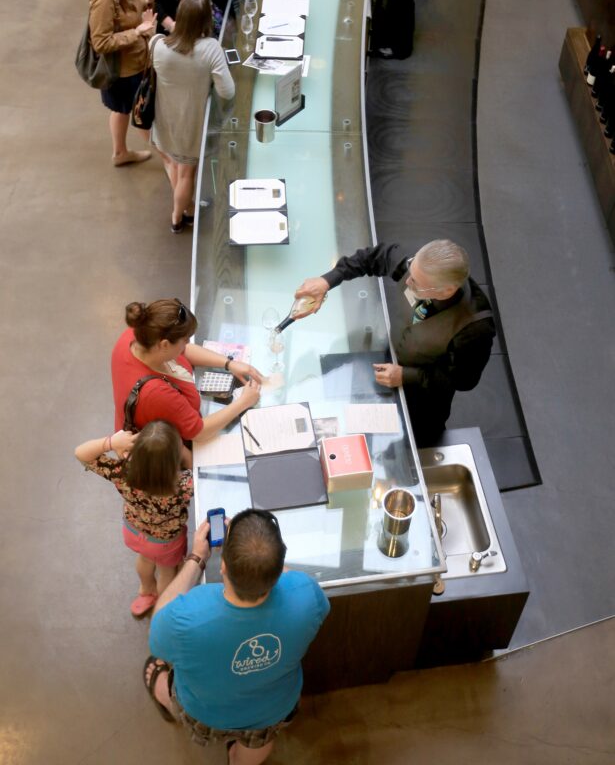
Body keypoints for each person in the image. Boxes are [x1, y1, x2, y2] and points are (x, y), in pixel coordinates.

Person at [144, 509, 330, 764]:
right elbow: (295, 581)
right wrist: (259, 551)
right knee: (258, 744)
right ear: (279, 568)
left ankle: (164, 696)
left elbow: (157, 633)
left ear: (223, 566)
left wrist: (197, 557)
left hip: (206, 712)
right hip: (272, 708)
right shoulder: (306, 596)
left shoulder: (186, 616)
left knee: (173, 691)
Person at [293, 239, 495, 448]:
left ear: (446, 291)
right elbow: (371, 258)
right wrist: (327, 281)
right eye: (411, 270)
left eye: (416, 283)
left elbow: (463, 381)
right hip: (392, 356)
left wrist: (405, 375)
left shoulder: (475, 328)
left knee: (414, 442)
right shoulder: (418, 266)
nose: (407, 281)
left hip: (423, 397)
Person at [75, 421, 194, 618]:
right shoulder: (183, 485)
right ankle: (162, 605)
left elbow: (81, 453)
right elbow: (194, 466)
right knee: (166, 571)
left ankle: (146, 590)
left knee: (145, 560)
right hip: (165, 542)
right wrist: (182, 449)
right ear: (174, 459)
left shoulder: (123, 472)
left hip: (133, 532)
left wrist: (111, 442)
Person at [111, 298, 263, 442]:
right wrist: (243, 402)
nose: (187, 344)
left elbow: (184, 350)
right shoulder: (156, 393)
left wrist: (229, 363)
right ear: (164, 345)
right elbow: (199, 432)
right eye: (185, 340)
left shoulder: (140, 336)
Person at [150, 0, 235, 233]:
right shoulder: (210, 49)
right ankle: (178, 217)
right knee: (187, 173)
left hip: (165, 120)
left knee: (177, 166)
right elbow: (227, 90)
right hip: (192, 124)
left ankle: (187, 207)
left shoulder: (157, 44)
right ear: (206, 19)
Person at [89, 0, 162, 166]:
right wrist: (137, 32)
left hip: (132, 65)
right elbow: (100, 42)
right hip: (124, 72)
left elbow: (127, 8)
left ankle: (120, 153)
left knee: (121, 110)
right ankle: (170, 161)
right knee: (142, 116)